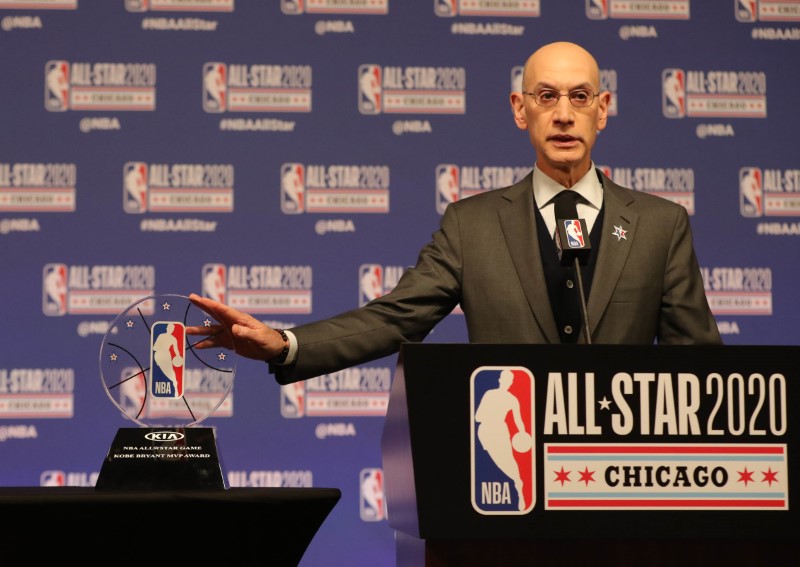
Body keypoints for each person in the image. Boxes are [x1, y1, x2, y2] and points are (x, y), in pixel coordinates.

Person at [186, 41, 722, 385]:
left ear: (602, 110)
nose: (563, 114)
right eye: (546, 96)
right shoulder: (473, 225)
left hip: (619, 482)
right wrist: (285, 345)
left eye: (580, 97)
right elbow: (396, 318)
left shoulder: (660, 224)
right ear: (521, 109)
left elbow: (701, 370)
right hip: (507, 476)